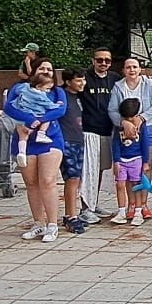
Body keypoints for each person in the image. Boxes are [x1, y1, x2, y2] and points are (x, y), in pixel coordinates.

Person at [5, 57, 68, 243]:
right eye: (42, 68)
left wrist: (39, 120)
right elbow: (9, 107)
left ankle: (53, 224)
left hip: (50, 139)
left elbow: (60, 111)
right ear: (34, 71)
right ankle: (38, 222)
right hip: (24, 137)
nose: (46, 71)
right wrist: (27, 119)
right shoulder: (19, 88)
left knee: (48, 180)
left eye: (49, 69)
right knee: (31, 183)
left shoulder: (57, 92)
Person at [107, 58, 152, 217]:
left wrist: (142, 117)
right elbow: (112, 110)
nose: (131, 70)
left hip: (149, 127)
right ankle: (132, 204)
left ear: (140, 69)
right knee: (128, 166)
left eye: (135, 67)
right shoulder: (118, 87)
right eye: (128, 67)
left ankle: (143, 203)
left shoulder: (149, 84)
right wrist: (124, 122)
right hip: (125, 130)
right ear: (123, 70)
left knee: (145, 166)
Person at [80, 47, 120, 223]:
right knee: (89, 170)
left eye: (107, 60)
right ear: (93, 61)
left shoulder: (115, 79)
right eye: (99, 60)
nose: (103, 63)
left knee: (101, 169)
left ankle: (93, 204)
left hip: (108, 130)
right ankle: (85, 208)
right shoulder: (84, 78)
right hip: (89, 130)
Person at [58, 67, 88, 234]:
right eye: (78, 80)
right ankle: (70, 216)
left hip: (79, 140)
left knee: (77, 179)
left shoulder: (80, 96)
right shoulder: (61, 95)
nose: (82, 83)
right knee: (72, 178)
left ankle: (74, 213)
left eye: (83, 79)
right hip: (66, 141)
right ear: (68, 82)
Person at [110, 97, 147, 227]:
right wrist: (116, 161)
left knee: (136, 185)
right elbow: (115, 144)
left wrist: (146, 162)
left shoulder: (142, 126)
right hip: (122, 160)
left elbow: (145, 144)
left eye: (132, 116)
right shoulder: (118, 127)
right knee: (120, 185)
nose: (130, 120)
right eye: (126, 117)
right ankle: (121, 212)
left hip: (136, 159)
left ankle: (138, 212)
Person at [9, 70, 57, 166]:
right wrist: (56, 105)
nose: (48, 91)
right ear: (39, 86)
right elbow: (47, 104)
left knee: (23, 136)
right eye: (47, 89)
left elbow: (17, 91)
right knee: (47, 119)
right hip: (35, 115)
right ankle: (41, 133)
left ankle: (21, 152)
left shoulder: (24, 87)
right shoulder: (40, 95)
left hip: (20, 116)